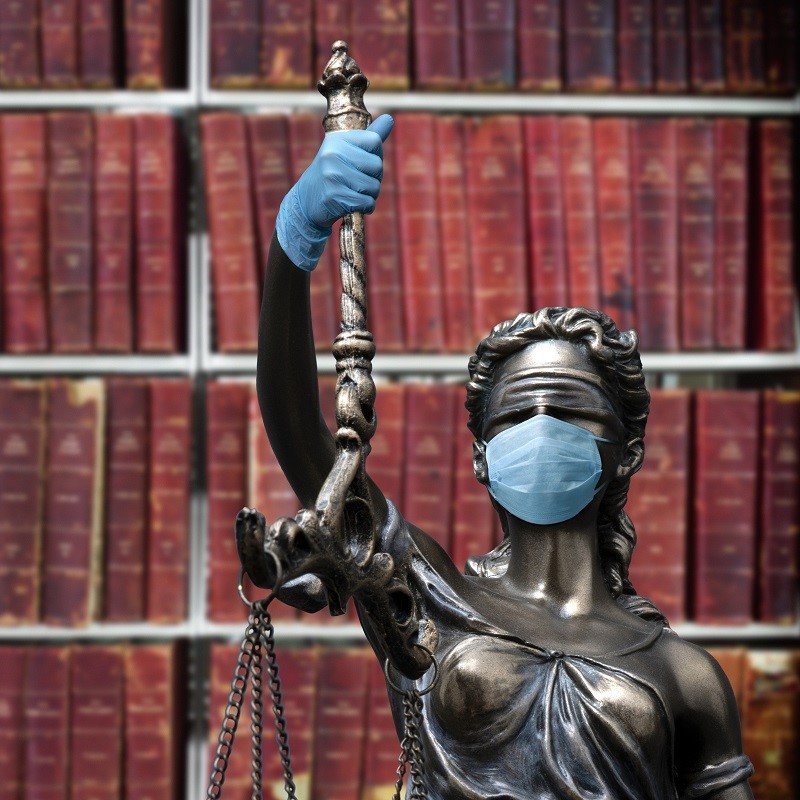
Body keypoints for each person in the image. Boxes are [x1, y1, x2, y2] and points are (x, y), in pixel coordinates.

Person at [252, 114, 754, 799]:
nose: (541, 429)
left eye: (570, 412)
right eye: (515, 417)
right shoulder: (429, 597)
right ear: (482, 457)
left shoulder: (685, 676)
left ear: (626, 452)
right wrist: (297, 234)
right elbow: (300, 435)